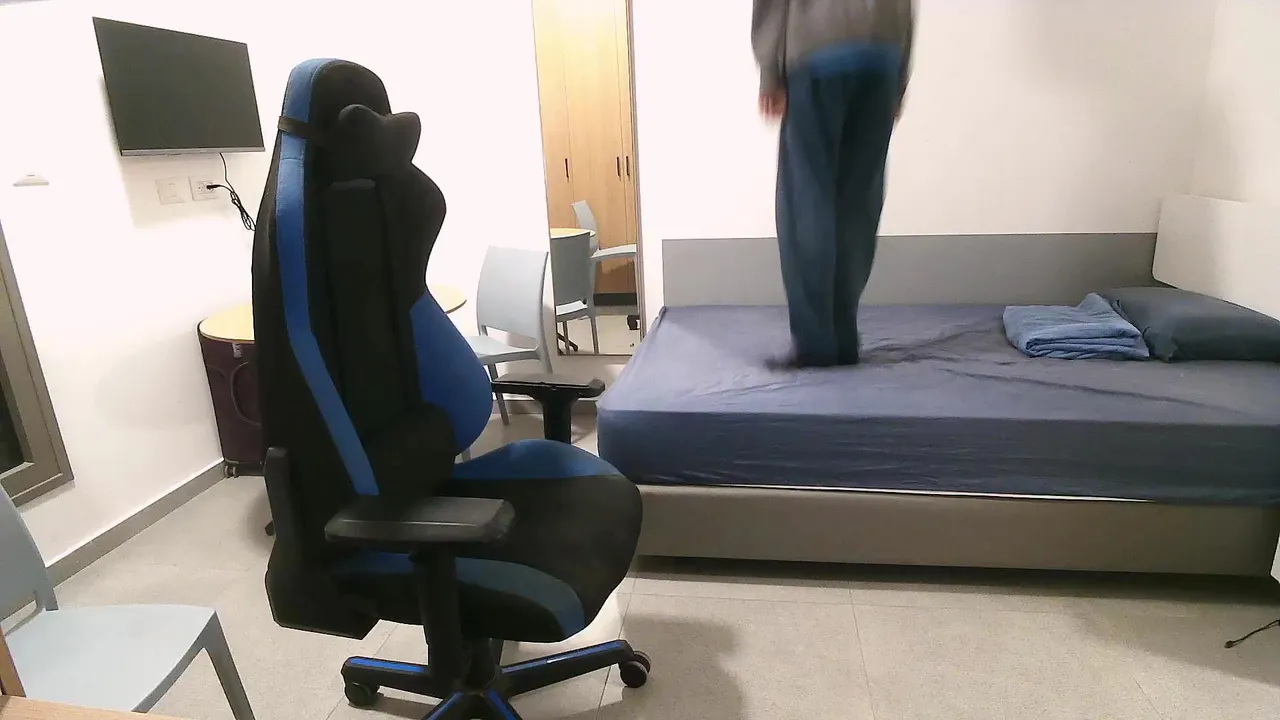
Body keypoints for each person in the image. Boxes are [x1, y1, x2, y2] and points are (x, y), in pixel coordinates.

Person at [753, 0, 914, 368]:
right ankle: (843, 338)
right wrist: (898, 79)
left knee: (807, 197)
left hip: (819, 48)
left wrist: (770, 72)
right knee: (858, 204)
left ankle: (816, 343)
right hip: (882, 52)